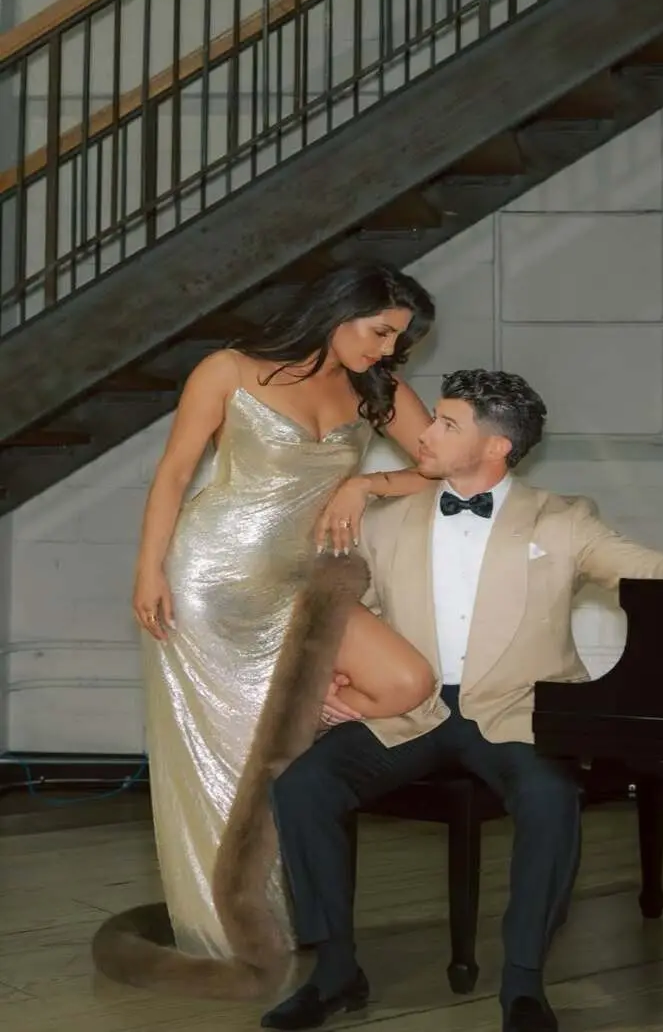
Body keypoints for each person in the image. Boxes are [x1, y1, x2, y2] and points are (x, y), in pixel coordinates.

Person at [261, 368, 663, 1032]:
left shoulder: (562, 519)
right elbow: (358, 616)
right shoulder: (387, 520)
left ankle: (524, 983)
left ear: (495, 446)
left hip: (519, 712)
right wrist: (333, 679)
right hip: (414, 712)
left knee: (550, 800)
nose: (425, 433)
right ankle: (335, 971)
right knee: (302, 788)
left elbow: (631, 562)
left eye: (446, 423)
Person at [92, 262, 442, 1001]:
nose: (386, 349)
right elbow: (174, 474)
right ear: (342, 308)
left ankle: (301, 922)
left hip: (306, 589)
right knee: (222, 760)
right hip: (207, 586)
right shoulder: (230, 369)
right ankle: (232, 933)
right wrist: (147, 572)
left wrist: (363, 482)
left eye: (396, 340)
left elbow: (449, 466)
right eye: (379, 331)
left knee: (367, 707)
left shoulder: (378, 391)